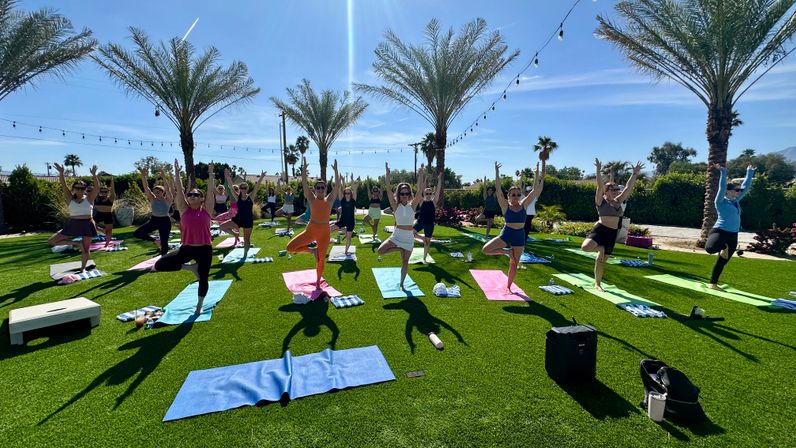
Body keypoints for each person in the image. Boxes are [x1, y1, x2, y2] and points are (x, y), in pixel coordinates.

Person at [154, 161, 216, 315]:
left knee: (203, 278)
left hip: (205, 249)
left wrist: (210, 175)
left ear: (202, 199)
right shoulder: (183, 209)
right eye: (190, 194)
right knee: (160, 264)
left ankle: (199, 306)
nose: (192, 196)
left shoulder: (207, 209)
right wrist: (176, 172)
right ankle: (190, 267)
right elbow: (179, 193)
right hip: (186, 249)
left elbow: (210, 191)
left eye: (196, 195)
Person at [580, 159, 644, 291]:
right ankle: (600, 248)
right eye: (613, 189)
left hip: (612, 233)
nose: (616, 190)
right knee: (585, 247)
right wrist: (598, 170)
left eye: (616, 188)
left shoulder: (618, 201)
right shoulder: (600, 201)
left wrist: (634, 174)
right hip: (600, 229)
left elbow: (627, 188)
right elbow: (599, 186)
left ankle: (598, 284)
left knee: (601, 261)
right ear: (607, 191)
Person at [481, 162, 537, 294]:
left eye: (518, 194)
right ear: (509, 196)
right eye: (513, 195)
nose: (516, 196)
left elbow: (535, 190)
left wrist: (537, 174)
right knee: (486, 249)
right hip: (507, 233)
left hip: (519, 235)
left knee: (514, 264)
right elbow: (498, 190)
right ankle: (507, 252)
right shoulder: (505, 206)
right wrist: (496, 173)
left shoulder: (524, 204)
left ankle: (509, 286)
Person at [287, 159, 341, 291]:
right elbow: (304, 183)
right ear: (315, 190)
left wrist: (335, 170)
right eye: (318, 188)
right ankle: (312, 250)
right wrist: (303, 171)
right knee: (290, 248)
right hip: (311, 230)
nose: (321, 189)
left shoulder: (329, 200)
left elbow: (337, 185)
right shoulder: (311, 199)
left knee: (321, 260)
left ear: (325, 189)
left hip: (324, 233)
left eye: (323, 187)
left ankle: (317, 283)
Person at [704, 163, 755, 289]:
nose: (739, 192)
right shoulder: (720, 201)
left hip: (733, 235)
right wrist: (723, 172)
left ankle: (713, 283)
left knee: (722, 262)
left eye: (739, 190)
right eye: (736, 190)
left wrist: (749, 173)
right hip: (720, 232)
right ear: (728, 191)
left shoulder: (735, 201)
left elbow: (746, 187)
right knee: (710, 249)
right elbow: (721, 187)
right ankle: (723, 246)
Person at [378, 163, 427, 290]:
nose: (404, 195)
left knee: (405, 262)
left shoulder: (413, 205)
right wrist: (388, 175)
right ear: (399, 194)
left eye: (406, 193)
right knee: (380, 251)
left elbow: (420, 190)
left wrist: (421, 175)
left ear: (409, 194)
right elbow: (388, 190)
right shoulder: (395, 206)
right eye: (402, 193)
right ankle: (399, 249)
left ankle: (401, 284)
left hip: (408, 238)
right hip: (396, 235)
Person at [48, 163, 101, 271]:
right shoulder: (69, 198)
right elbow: (63, 185)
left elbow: (97, 187)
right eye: (78, 188)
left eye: (82, 188)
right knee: (52, 241)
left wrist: (94, 175)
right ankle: (76, 243)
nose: (80, 190)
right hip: (73, 223)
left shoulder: (90, 197)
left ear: (85, 189)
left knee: (86, 249)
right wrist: (61, 173)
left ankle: (83, 268)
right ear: (74, 189)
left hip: (88, 224)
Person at [219, 169, 267, 260]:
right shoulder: (237, 197)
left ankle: (245, 254)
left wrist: (261, 177)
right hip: (238, 219)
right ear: (240, 189)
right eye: (242, 188)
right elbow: (231, 186)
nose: (244, 190)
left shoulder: (251, 197)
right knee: (222, 226)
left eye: (245, 188)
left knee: (247, 239)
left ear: (247, 189)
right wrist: (228, 177)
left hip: (248, 221)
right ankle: (235, 235)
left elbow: (257, 186)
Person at [133, 168, 174, 256]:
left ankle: (163, 259)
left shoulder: (168, 200)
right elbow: (146, 188)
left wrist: (163, 177)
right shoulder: (152, 199)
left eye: (158, 192)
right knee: (137, 233)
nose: (156, 193)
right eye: (155, 192)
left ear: (163, 192)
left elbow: (168, 189)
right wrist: (143, 176)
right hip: (154, 220)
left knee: (164, 242)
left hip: (165, 221)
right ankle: (155, 240)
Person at [413, 171, 443, 263]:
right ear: (424, 194)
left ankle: (425, 258)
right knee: (410, 232)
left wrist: (439, 179)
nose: (429, 195)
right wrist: (421, 175)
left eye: (430, 193)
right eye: (427, 193)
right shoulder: (421, 201)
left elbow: (438, 190)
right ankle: (422, 238)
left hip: (429, 224)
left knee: (427, 242)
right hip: (420, 222)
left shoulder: (434, 202)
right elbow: (419, 188)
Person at [330, 175, 358, 255]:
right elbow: (339, 189)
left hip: (351, 222)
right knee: (330, 228)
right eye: (346, 193)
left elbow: (355, 189)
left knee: (348, 237)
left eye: (349, 193)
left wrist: (352, 179)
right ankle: (331, 240)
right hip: (342, 221)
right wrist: (341, 180)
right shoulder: (342, 200)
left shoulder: (353, 200)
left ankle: (346, 251)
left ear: (351, 193)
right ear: (344, 194)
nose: (347, 194)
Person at [521, 162, 546, 247]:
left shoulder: (534, 198)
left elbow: (539, 189)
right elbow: (521, 188)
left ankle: (522, 247)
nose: (529, 192)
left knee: (526, 231)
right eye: (528, 191)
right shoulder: (522, 197)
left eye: (529, 191)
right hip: (523, 215)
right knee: (521, 231)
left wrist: (541, 179)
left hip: (529, 216)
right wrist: (521, 177)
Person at [93, 176, 116, 246]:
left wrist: (112, 181)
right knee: (91, 225)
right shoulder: (97, 198)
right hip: (99, 214)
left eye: (105, 191)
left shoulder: (111, 198)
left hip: (107, 215)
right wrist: (97, 179)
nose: (103, 193)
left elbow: (112, 190)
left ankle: (107, 243)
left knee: (109, 231)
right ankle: (102, 230)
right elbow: (96, 187)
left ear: (108, 192)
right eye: (102, 191)